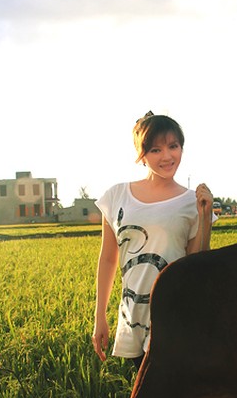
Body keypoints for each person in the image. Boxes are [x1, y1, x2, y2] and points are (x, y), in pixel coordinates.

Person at [92, 111, 214, 370]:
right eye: (156, 149)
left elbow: (197, 264)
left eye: (174, 146)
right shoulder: (117, 196)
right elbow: (107, 259)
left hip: (176, 314)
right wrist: (99, 316)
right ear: (142, 154)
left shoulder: (191, 202)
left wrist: (204, 216)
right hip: (133, 314)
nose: (167, 156)